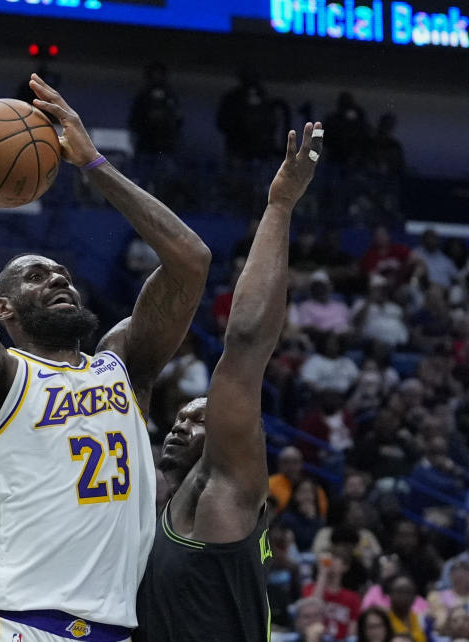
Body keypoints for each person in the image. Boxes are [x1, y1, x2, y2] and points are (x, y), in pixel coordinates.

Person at [0, 72, 210, 641]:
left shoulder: (123, 363)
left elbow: (191, 260)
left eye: (63, 274)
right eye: (37, 277)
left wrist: (95, 166)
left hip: (111, 631)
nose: (59, 280)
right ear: (5, 310)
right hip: (15, 626)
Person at [133, 122, 322, 640]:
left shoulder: (221, 494)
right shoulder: (153, 510)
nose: (180, 426)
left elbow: (245, 344)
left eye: (198, 420)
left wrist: (279, 206)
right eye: (179, 418)